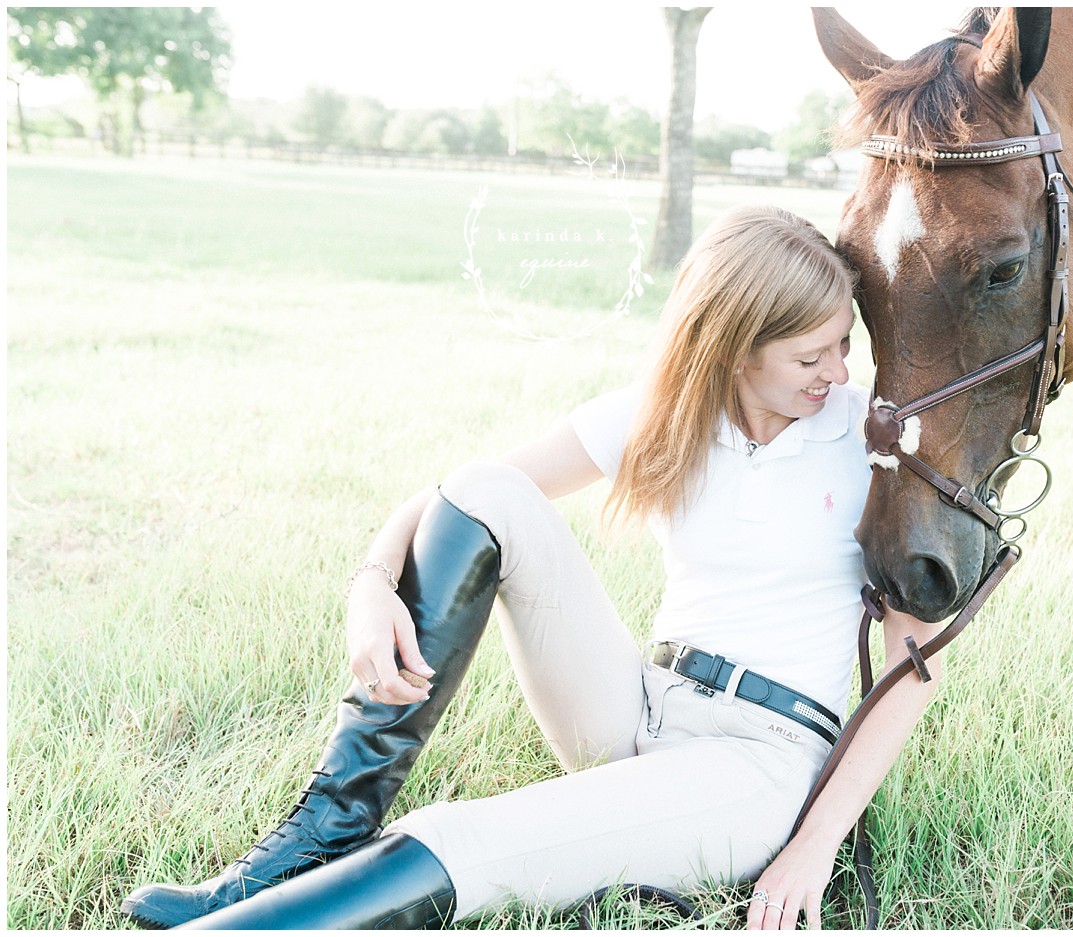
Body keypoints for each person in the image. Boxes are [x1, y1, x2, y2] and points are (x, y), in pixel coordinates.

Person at [121, 204, 946, 930]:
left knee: (476, 836)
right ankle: (314, 839)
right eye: (811, 357)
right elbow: (457, 495)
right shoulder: (663, 412)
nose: (838, 371)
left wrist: (813, 845)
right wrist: (371, 585)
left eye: (843, 345)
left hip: (760, 759)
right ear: (731, 349)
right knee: (489, 490)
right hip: (638, 708)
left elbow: (915, 667)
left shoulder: (873, 442)